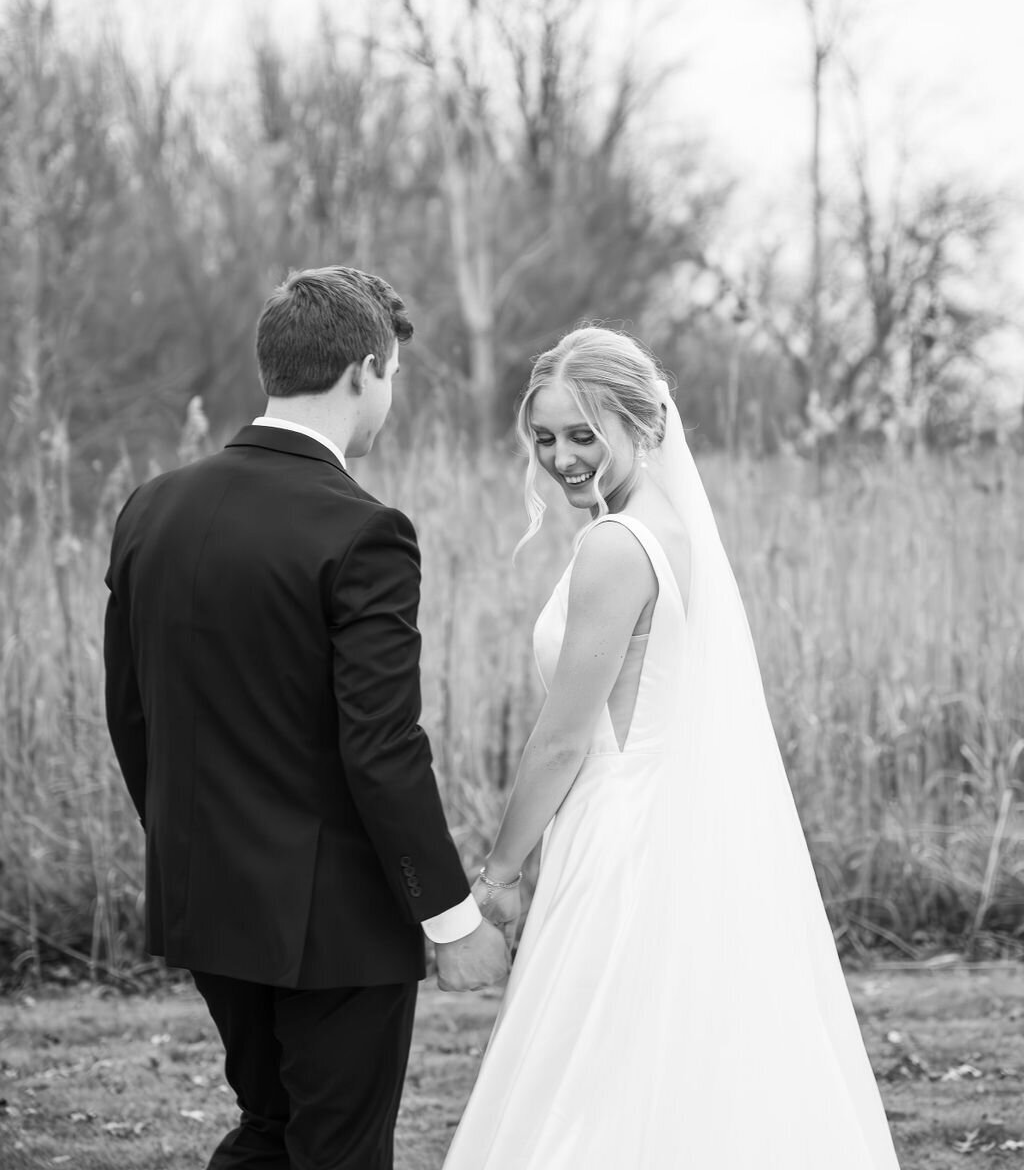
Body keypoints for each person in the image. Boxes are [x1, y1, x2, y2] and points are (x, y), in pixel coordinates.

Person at [443, 325, 902, 1168]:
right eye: (544, 437)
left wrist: (499, 876)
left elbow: (561, 740)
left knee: (594, 1080)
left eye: (585, 434)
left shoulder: (616, 548)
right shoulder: (673, 529)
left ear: (643, 426)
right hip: (668, 827)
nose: (561, 457)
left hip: (621, 837)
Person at [104, 265, 507, 1170]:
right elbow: (382, 747)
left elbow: (131, 715)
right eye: (395, 377)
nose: (390, 398)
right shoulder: (364, 530)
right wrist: (451, 921)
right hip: (335, 924)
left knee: (273, 1128)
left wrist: (192, 846)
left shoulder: (150, 509)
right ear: (366, 369)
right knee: (337, 1149)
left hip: (206, 898)